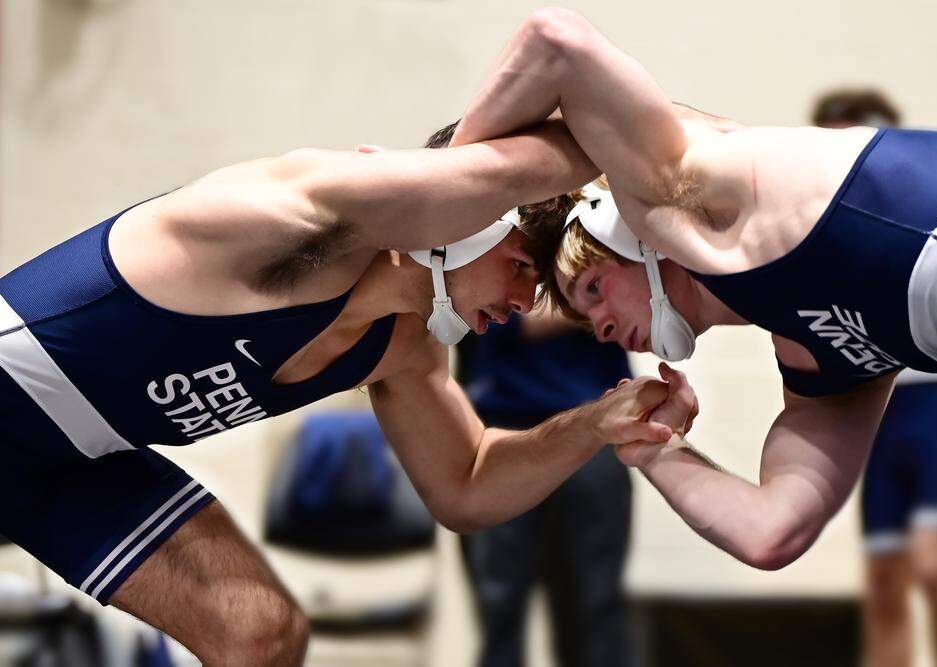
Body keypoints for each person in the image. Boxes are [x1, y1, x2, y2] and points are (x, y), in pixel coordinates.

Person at [449, 9, 937, 665]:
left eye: (594, 287)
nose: (600, 324)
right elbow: (772, 528)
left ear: (627, 228)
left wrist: (440, 211)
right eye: (586, 316)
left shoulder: (706, 189)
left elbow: (556, 41)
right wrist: (645, 445)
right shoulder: (814, 354)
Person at [0, 118, 697, 666]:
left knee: (258, 634)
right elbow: (480, 166)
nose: (522, 301)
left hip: (79, 462)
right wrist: (665, 148)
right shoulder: (301, 216)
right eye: (520, 265)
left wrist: (595, 423)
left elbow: (468, 483)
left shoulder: (400, 345)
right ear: (461, 217)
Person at [813, 89, 937, 667]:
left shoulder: (917, 200)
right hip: (881, 410)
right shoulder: (817, 224)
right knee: (883, 580)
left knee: (933, 567)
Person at [457, 302, 635, 667]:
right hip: (502, 430)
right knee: (500, 607)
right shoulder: (477, 247)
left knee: (595, 606)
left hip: (592, 433)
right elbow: (492, 315)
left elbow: (640, 299)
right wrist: (595, 302)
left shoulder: (608, 244)